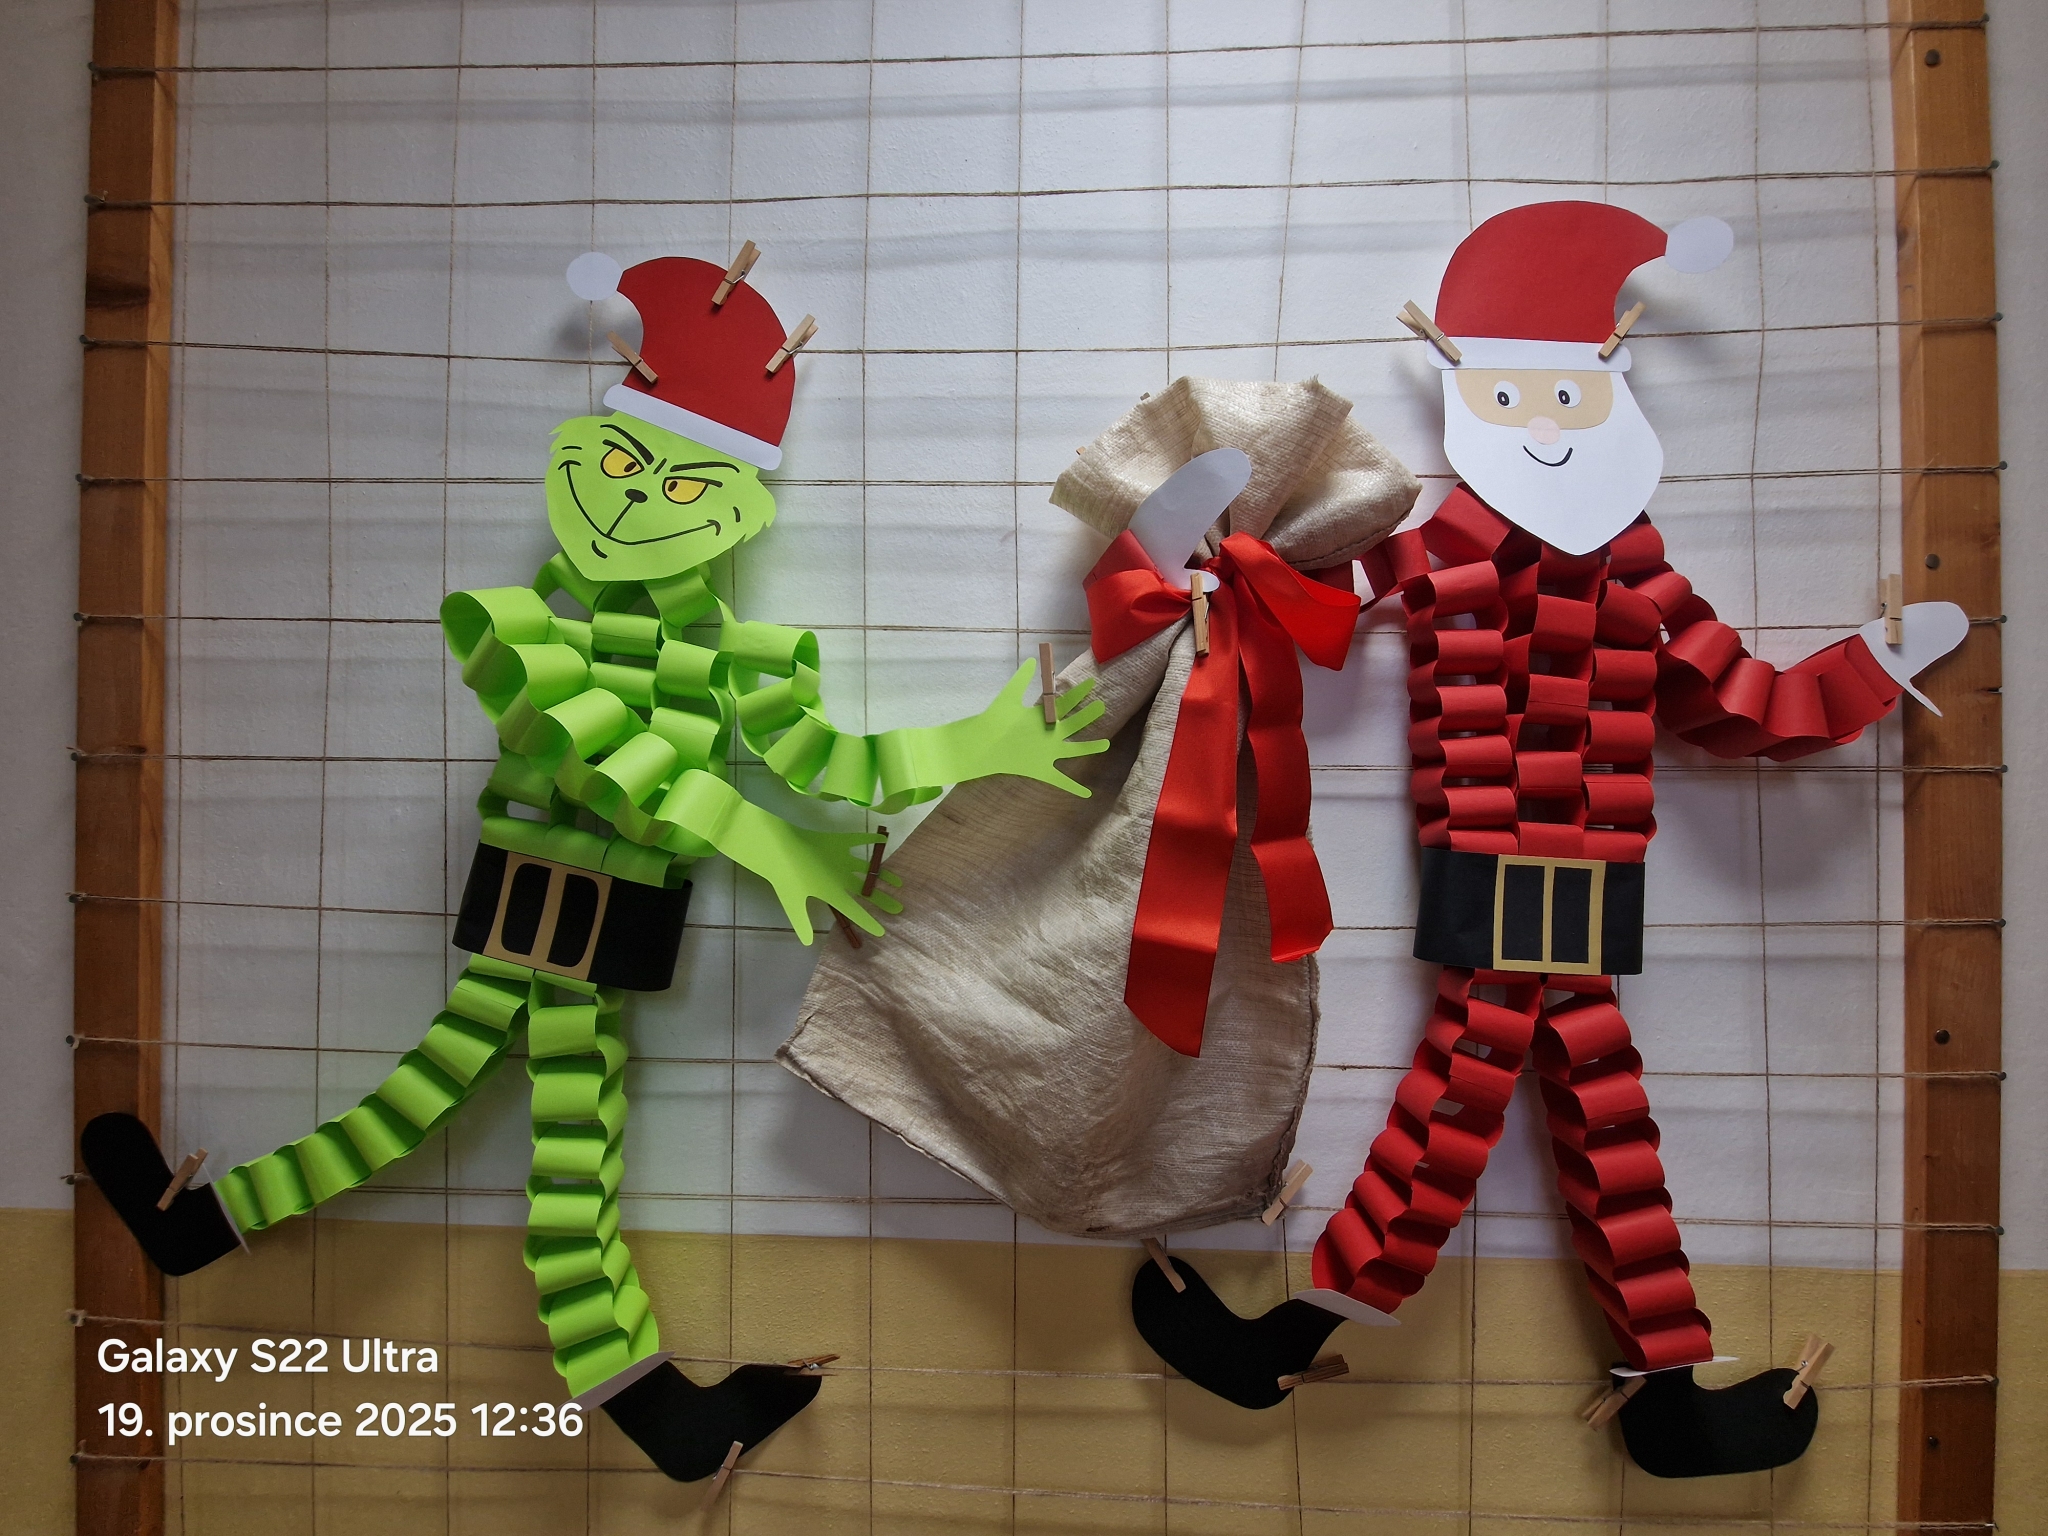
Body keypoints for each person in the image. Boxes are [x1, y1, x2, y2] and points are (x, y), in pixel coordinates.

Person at [80, 248, 1106, 1483]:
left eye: (681, 481)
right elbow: (615, 755)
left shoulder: (739, 660)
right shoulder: (527, 632)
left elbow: (830, 759)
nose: (636, 500)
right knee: (485, 1130)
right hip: (536, 902)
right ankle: (640, 1406)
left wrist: (976, 744)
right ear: (579, 459)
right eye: (619, 463)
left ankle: (217, 1230)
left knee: (482, 1127)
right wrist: (768, 842)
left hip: (604, 922)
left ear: (735, 513)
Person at [1131, 201, 1963, 1479]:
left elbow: (1741, 700)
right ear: (1468, 397)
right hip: (1496, 882)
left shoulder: (1638, 582)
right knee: (1535, 1111)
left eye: (1568, 399)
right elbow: (1308, 601)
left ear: (1609, 392)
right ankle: (1652, 1398)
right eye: (1511, 399)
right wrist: (1209, 561)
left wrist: (1869, 667)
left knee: (1524, 1110)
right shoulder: (1438, 553)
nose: (1543, 430)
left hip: (1575, 892)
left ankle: (1319, 1348)